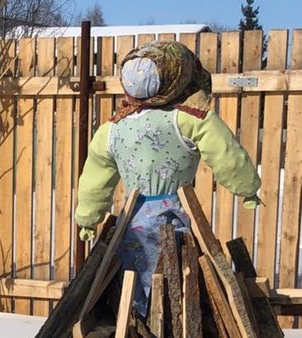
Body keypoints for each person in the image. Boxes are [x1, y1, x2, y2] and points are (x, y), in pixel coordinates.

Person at [75, 39, 261, 316]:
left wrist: (88, 218)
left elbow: (95, 179)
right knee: (181, 278)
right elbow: (227, 156)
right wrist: (247, 188)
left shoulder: (111, 129)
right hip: (177, 217)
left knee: (134, 279)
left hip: (132, 221)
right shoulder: (192, 120)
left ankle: (139, 330)